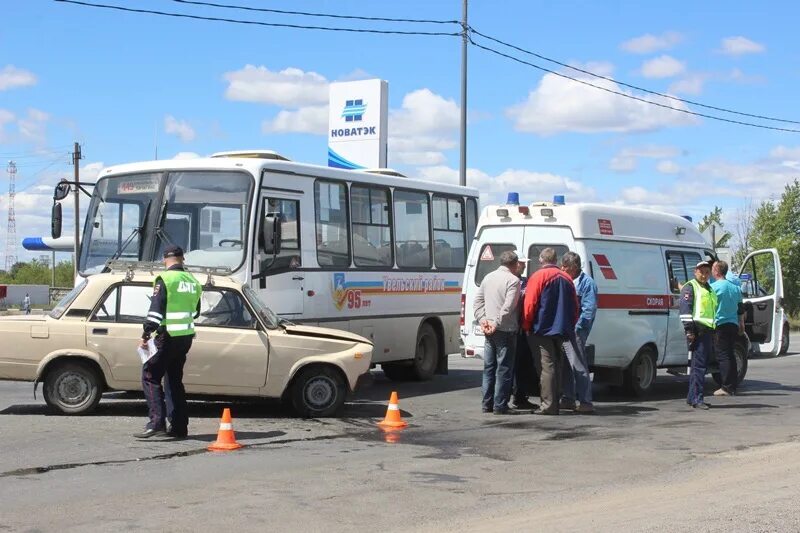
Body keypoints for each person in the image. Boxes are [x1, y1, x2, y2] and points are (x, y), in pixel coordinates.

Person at [135, 245, 202, 439]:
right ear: (183, 259)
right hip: (186, 337)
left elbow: (156, 311)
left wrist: (146, 335)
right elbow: (196, 311)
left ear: (165, 260)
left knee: (150, 375)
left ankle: (156, 423)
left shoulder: (165, 279)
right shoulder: (193, 281)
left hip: (167, 335)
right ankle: (180, 427)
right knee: (174, 380)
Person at [522, 248, 579, 415]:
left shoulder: (538, 277)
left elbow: (530, 304)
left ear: (541, 260)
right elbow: (575, 307)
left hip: (541, 329)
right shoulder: (567, 279)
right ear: (556, 260)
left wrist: (526, 326)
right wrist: (570, 324)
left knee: (546, 367)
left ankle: (548, 405)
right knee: (557, 365)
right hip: (561, 329)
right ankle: (556, 400)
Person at [474, 250, 522, 415]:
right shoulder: (514, 281)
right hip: (505, 329)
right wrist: (496, 323)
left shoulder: (488, 277)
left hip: (489, 330)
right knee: (504, 368)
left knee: (489, 367)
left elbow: (477, 302)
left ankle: (486, 404)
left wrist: (483, 321)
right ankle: (500, 405)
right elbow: (508, 306)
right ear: (515, 264)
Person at [559, 252, 597, 413]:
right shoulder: (565, 279)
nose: (562, 269)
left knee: (578, 365)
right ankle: (568, 398)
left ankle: (585, 401)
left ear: (574, 267)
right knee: (566, 366)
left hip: (576, 330)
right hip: (564, 329)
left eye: (565, 267)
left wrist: (578, 328)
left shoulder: (586, 283)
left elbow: (589, 309)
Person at [680, 260, 717, 410]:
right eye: (701, 271)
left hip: (707, 331)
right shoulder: (690, 287)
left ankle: (692, 397)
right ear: (696, 271)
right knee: (698, 367)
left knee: (700, 366)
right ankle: (697, 398)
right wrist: (689, 331)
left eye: (707, 272)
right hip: (697, 331)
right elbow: (685, 310)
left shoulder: (709, 288)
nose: (704, 275)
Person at [711, 260, 745, 396]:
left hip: (720, 324)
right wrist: (741, 324)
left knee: (723, 356)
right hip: (733, 325)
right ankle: (733, 385)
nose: (711, 270)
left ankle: (726, 387)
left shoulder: (714, 288)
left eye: (713, 268)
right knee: (730, 355)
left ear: (717, 271)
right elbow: (740, 309)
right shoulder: (735, 288)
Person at [510, 257, 538, 410]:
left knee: (523, 364)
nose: (524, 265)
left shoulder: (526, 281)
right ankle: (506, 397)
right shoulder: (509, 281)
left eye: (525, 263)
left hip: (524, 328)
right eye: (521, 263)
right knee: (510, 364)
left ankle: (520, 396)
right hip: (512, 328)